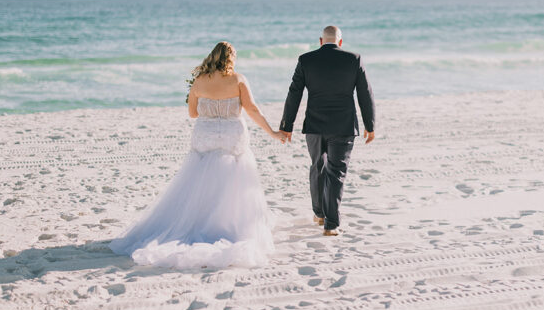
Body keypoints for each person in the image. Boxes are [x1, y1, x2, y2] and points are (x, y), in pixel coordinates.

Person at [109, 41, 284, 269]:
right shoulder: (239, 79)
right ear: (231, 58)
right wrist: (272, 132)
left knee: (199, 178)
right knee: (233, 177)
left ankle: (198, 220)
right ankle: (227, 224)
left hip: (205, 134)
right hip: (232, 134)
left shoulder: (200, 81)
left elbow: (192, 113)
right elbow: (252, 110)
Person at [279, 26, 376, 236]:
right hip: (343, 126)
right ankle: (331, 225)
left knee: (317, 166)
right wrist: (370, 125)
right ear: (340, 42)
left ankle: (320, 213)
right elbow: (365, 94)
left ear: (321, 40)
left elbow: (294, 93)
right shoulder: (354, 59)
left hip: (314, 126)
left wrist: (287, 125)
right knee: (336, 172)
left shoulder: (306, 60)